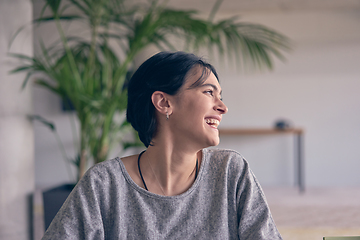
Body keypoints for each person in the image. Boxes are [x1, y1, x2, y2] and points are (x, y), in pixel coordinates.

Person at [42, 51, 283, 239]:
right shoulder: (103, 184)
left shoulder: (231, 172)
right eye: (209, 92)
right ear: (164, 102)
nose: (222, 107)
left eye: (220, 95)